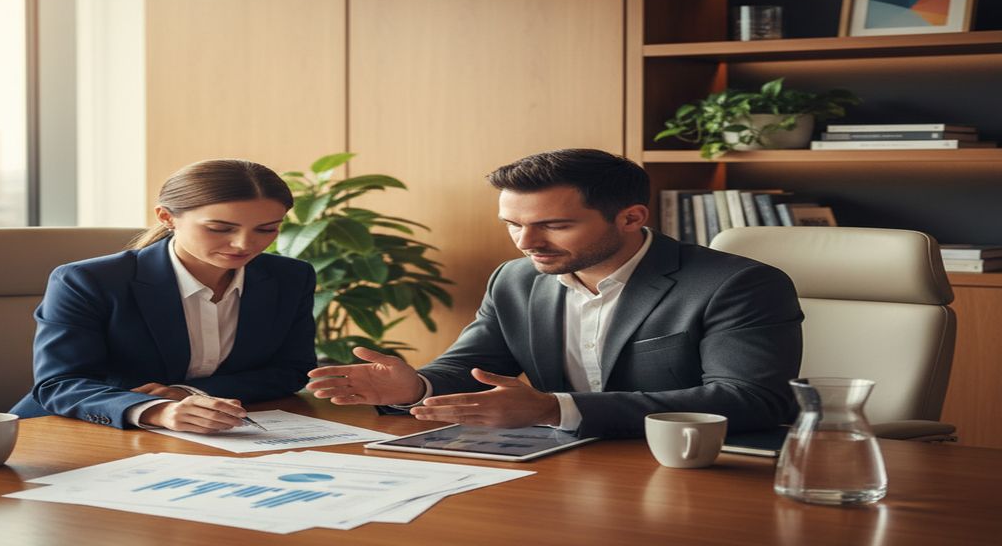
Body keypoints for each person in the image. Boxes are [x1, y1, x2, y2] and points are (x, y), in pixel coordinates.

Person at [307, 149, 803, 438]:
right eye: (513, 225)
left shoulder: (737, 285)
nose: (528, 243)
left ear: (631, 217)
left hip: (687, 467)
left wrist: (554, 408)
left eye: (555, 225)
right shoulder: (515, 280)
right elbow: (470, 367)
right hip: (557, 463)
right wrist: (416, 388)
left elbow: (751, 400)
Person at [10, 159, 316, 433]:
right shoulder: (88, 281)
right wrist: (158, 411)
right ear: (167, 217)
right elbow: (60, 384)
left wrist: (187, 393)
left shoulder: (290, 277)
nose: (243, 244)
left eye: (266, 229)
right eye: (220, 228)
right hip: (71, 432)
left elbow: (290, 370)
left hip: (213, 434)